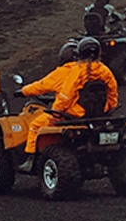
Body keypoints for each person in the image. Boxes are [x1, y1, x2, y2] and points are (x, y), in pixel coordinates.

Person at [15, 37, 118, 172]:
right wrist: (107, 109)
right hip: (97, 115)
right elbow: (113, 93)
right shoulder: (105, 70)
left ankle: (30, 158)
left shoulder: (77, 71)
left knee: (35, 125)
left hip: (74, 115)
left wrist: (55, 113)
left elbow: (65, 95)